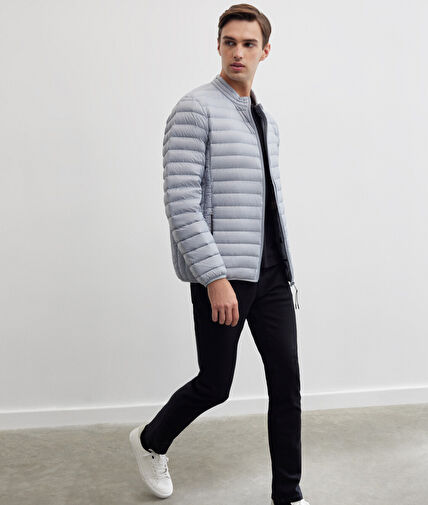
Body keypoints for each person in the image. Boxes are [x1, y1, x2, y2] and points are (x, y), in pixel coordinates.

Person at [129, 5, 308, 505]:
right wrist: (213, 277)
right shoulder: (195, 109)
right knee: (215, 384)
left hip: (272, 274)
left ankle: (289, 495)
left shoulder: (265, 119)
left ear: (265, 52)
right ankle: (150, 441)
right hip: (223, 276)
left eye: (249, 44)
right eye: (230, 42)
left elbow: (266, 202)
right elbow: (180, 202)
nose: (238, 52)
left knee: (287, 385)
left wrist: (285, 268)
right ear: (218, 46)